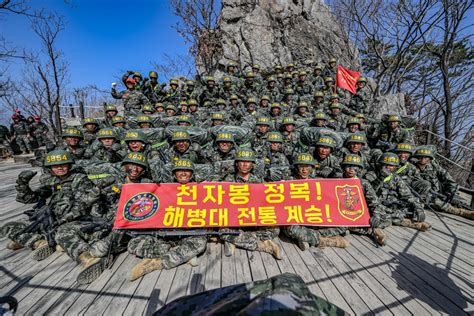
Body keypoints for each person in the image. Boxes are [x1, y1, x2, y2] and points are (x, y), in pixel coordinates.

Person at [0, 150, 100, 261]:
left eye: (63, 165)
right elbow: (30, 198)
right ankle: (38, 242)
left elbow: (83, 205)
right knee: (8, 226)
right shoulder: (52, 181)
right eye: (55, 166)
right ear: (50, 168)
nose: (59, 168)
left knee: (62, 234)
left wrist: (64, 219)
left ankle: (86, 258)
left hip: (73, 221)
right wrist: (22, 184)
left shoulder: (80, 179)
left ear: (69, 165)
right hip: (50, 221)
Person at [128, 159, 207, 281]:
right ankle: (181, 254)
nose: (184, 173)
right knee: (133, 244)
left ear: (192, 174)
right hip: (164, 235)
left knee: (201, 243)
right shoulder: (163, 189)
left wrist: (205, 187)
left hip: (188, 234)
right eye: (179, 171)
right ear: (174, 174)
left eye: (187, 171)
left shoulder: (200, 188)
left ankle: (157, 263)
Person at [221, 149, 282, 259]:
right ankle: (264, 245)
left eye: (248, 162)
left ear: (252, 164)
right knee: (222, 231)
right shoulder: (228, 181)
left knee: (275, 229)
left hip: (254, 220)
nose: (244, 164)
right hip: (235, 220)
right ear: (236, 163)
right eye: (241, 161)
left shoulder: (259, 181)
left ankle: (237, 239)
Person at [364, 153, 431, 231]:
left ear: (395, 167)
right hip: (375, 206)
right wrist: (380, 179)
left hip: (391, 206)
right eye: (385, 165)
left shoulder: (395, 178)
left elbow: (407, 195)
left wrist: (418, 207)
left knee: (414, 209)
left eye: (391, 166)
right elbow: (370, 195)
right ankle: (407, 222)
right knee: (379, 218)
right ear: (380, 165)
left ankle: (398, 219)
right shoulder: (371, 176)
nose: (388, 168)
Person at [411, 146, 473, 219]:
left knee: (457, 202)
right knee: (438, 203)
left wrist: (453, 193)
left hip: (438, 194)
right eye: (421, 157)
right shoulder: (412, 167)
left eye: (426, 157)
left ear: (429, 159)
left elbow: (449, 179)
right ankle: (461, 212)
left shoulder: (434, 167)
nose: (423, 159)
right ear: (417, 157)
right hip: (422, 195)